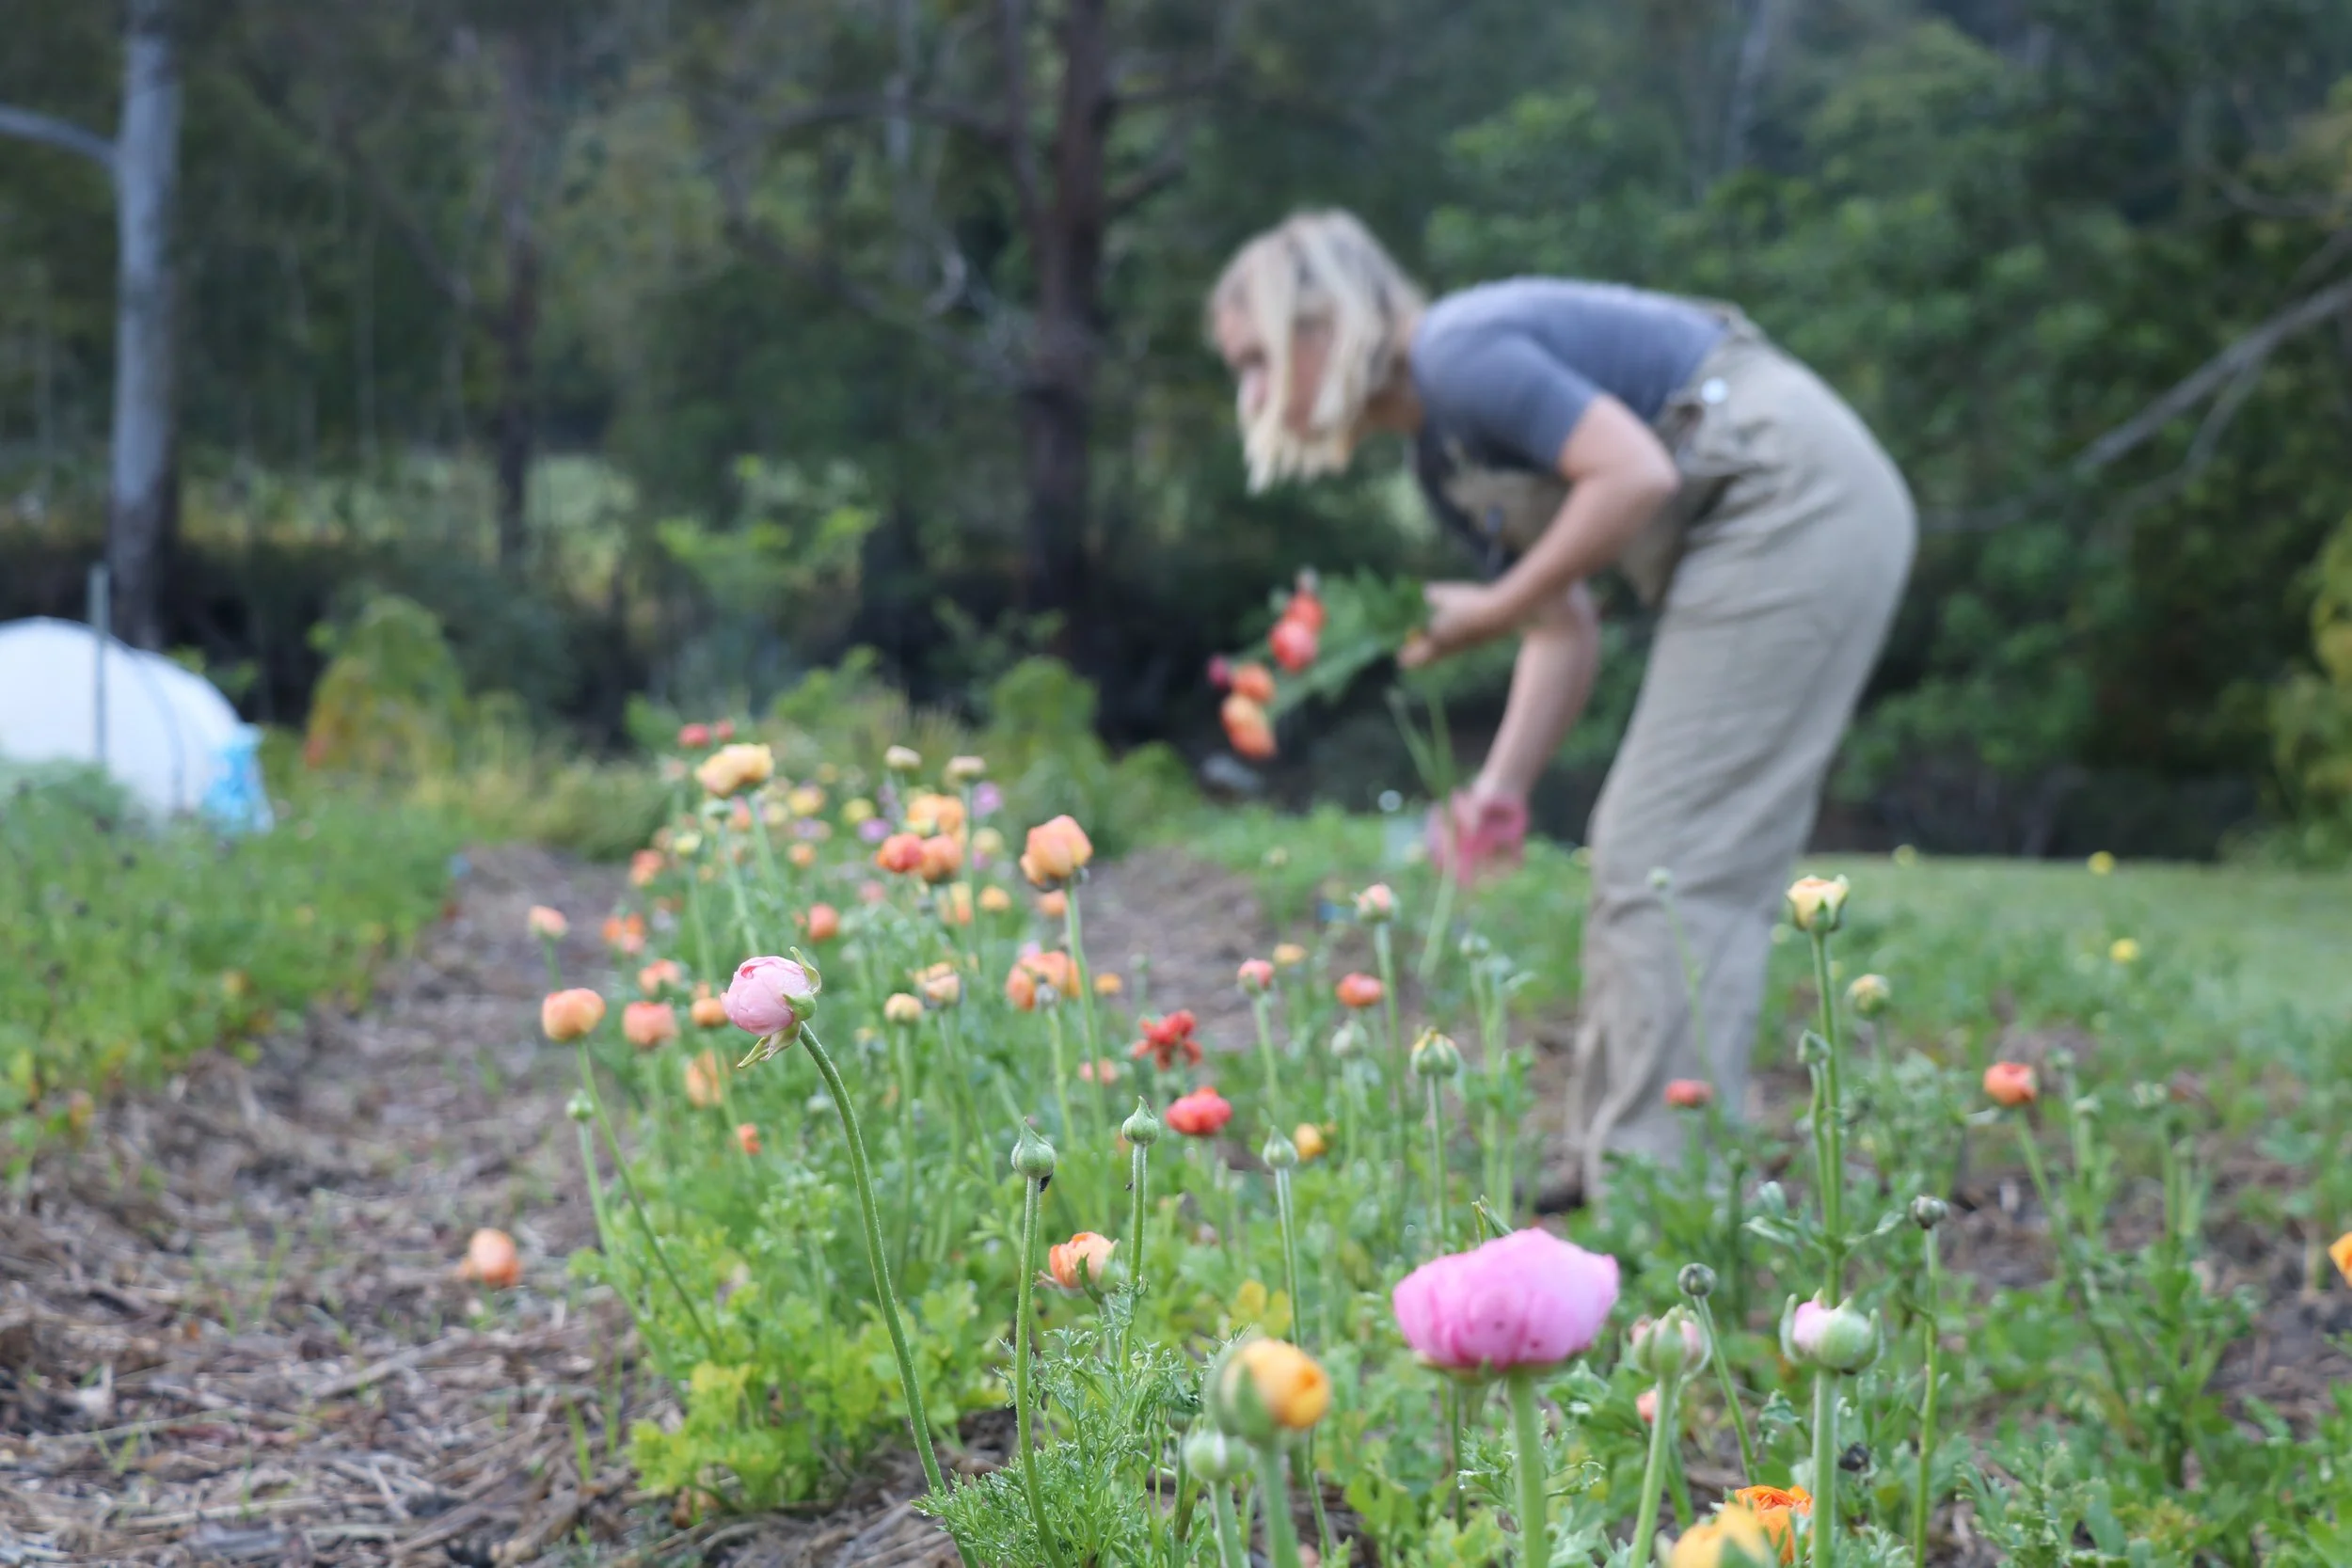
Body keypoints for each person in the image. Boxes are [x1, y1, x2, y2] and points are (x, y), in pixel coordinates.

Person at [1207, 210, 1915, 1205]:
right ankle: (1616, 1160)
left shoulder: (1459, 352)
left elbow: (1634, 473)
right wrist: (1500, 787)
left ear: (1322, 324)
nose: (1250, 395)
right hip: (1762, 511)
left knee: (1671, 853)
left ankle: (1659, 1196)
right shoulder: (1442, 458)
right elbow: (1561, 625)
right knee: (1645, 849)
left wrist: (1489, 606)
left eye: (1256, 360)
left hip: (1794, 495)